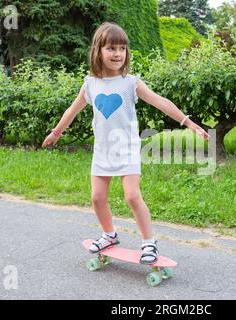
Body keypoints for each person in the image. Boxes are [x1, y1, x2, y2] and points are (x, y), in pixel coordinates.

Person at [42, 22, 209, 264]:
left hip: (127, 149)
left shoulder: (131, 82)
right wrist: (56, 133)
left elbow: (161, 102)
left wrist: (189, 122)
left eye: (122, 48)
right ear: (98, 51)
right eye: (111, 48)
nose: (118, 53)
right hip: (103, 150)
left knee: (132, 196)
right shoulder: (90, 84)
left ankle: (148, 242)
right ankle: (109, 235)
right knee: (97, 198)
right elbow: (73, 109)